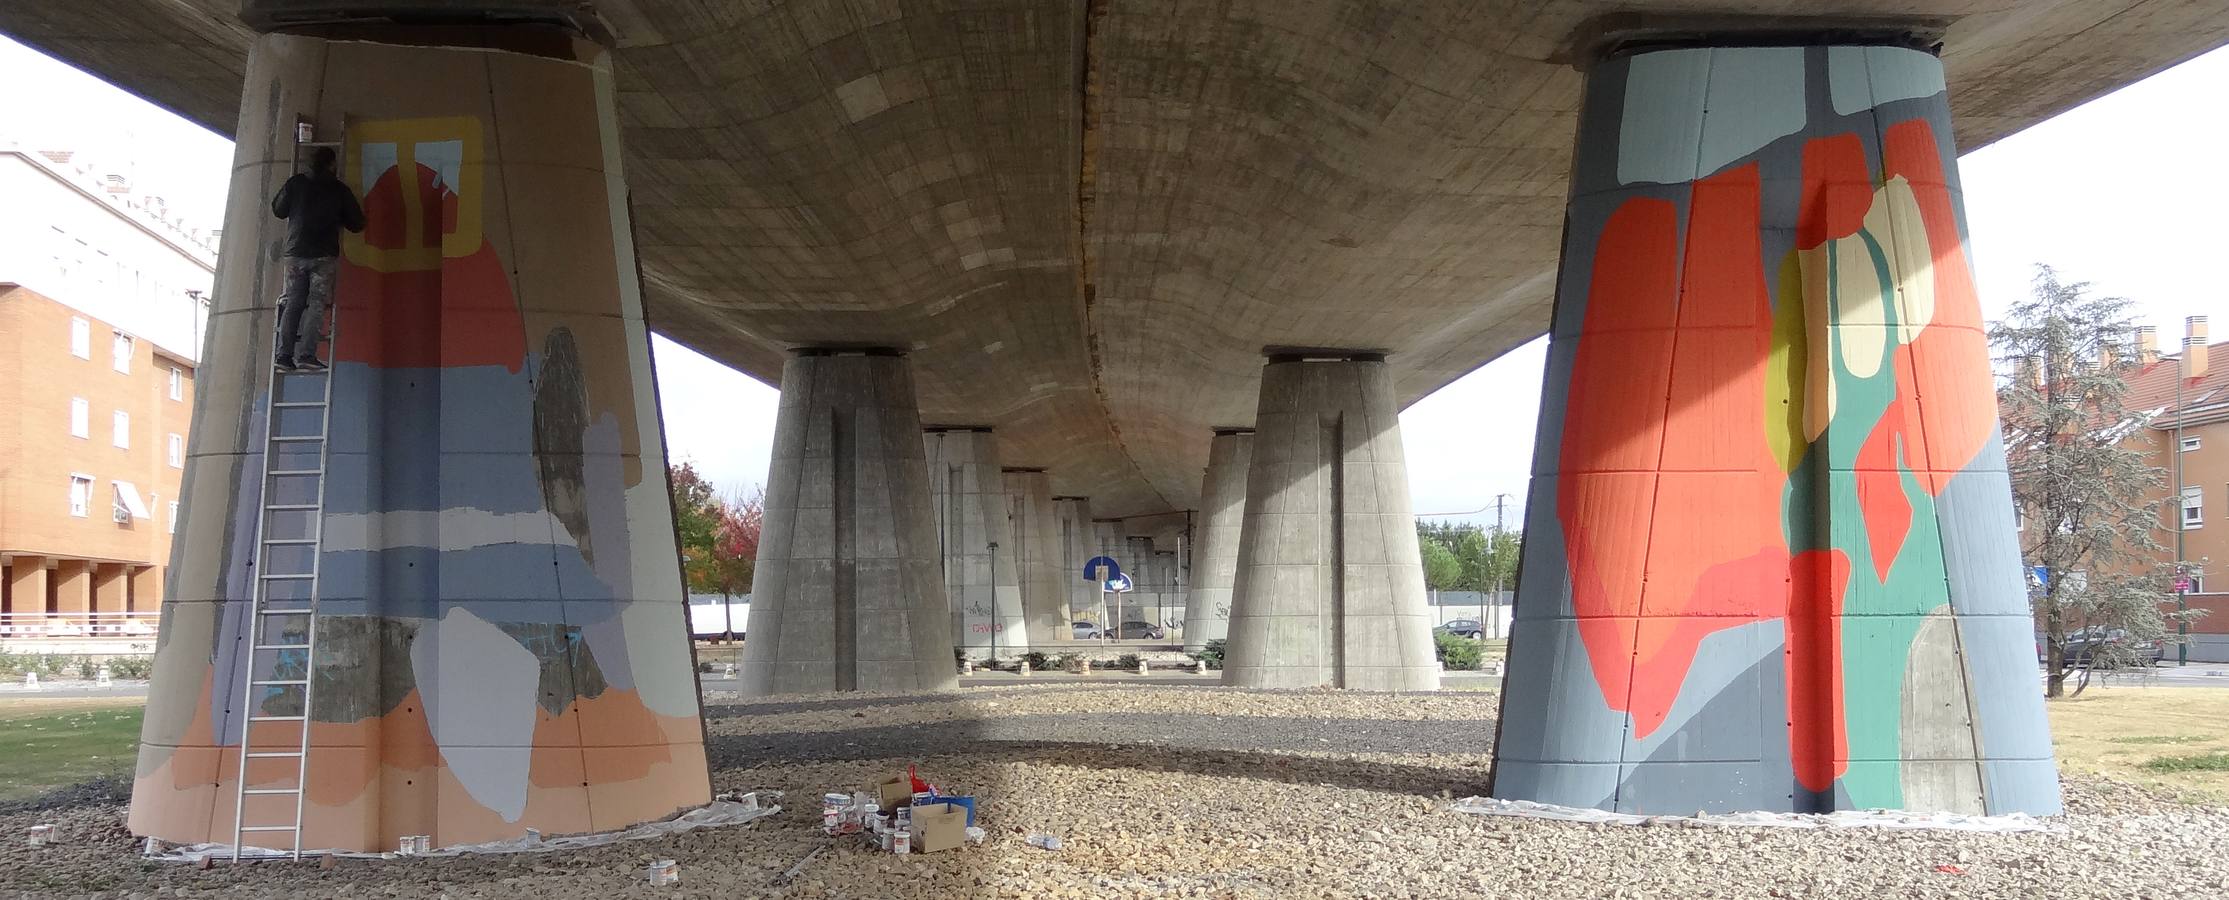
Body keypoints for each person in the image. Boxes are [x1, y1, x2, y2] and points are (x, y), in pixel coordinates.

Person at [269, 146, 365, 371]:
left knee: (294, 302)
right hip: (323, 255)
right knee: (316, 303)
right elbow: (357, 223)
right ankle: (306, 355)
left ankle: (283, 356)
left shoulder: (296, 183)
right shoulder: (339, 190)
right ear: (332, 164)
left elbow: (278, 210)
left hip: (295, 253)